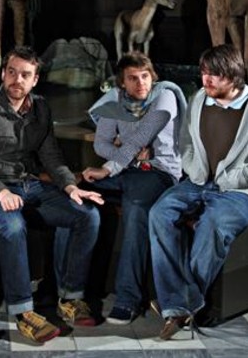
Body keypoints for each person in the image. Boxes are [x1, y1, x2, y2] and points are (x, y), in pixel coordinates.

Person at [148, 44, 248, 340]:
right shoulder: (199, 98)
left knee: (212, 225)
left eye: (214, 74)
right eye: (204, 72)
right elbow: (185, 141)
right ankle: (183, 302)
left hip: (243, 191)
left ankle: (179, 306)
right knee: (159, 213)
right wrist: (194, 169)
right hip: (199, 182)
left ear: (234, 75)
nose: (206, 79)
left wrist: (239, 177)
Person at [0, 45, 104, 344]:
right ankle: (24, 312)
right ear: (3, 73)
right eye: (12, 72)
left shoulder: (40, 107)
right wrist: (0, 192)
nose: (17, 80)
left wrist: (70, 186)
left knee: (87, 215)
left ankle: (70, 298)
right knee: (14, 226)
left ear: (35, 80)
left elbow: (51, 156)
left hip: (30, 186)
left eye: (25, 75)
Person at [80, 51, 187, 324]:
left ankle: (128, 300)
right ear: (122, 82)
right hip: (127, 169)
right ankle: (72, 290)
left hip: (158, 172)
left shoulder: (165, 96)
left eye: (145, 76)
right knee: (77, 193)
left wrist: (112, 164)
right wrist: (123, 159)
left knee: (136, 207)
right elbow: (101, 144)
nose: (141, 83)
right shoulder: (116, 100)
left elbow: (143, 134)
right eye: (133, 78)